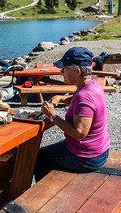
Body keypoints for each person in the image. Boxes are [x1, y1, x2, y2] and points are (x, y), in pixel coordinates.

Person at [34, 46, 110, 181]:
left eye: (64, 68)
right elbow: (78, 101)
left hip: (87, 157)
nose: (61, 71)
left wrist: (53, 116)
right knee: (48, 154)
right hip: (100, 150)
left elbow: (79, 134)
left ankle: (44, 198)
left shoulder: (84, 95)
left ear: (77, 71)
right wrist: (61, 98)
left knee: (38, 158)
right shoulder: (92, 84)